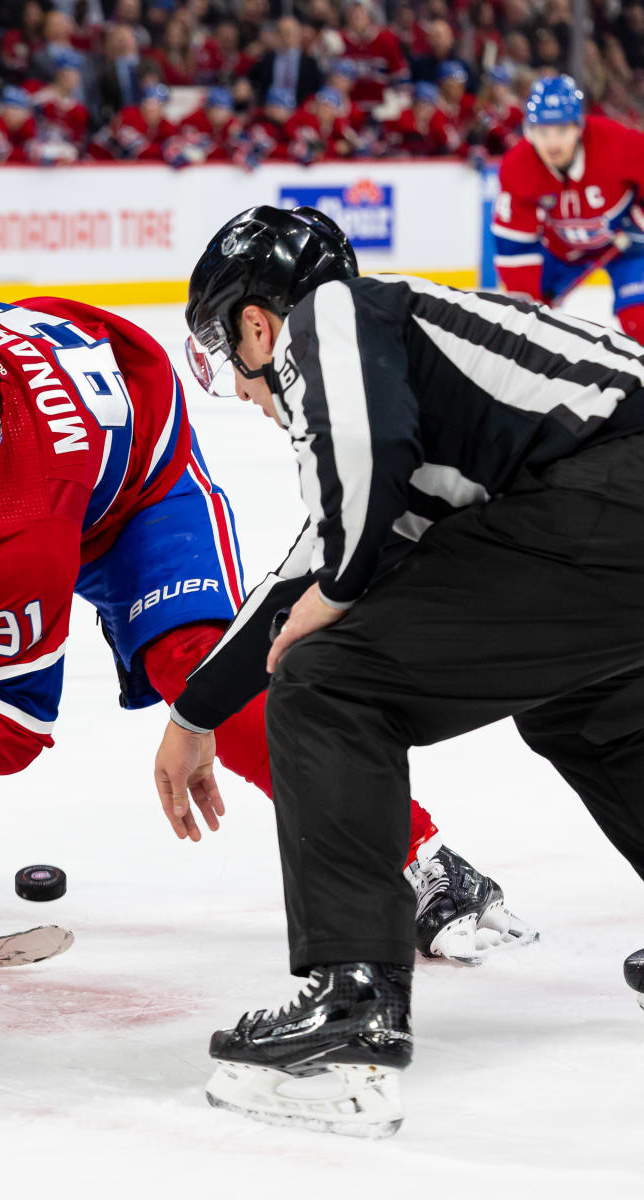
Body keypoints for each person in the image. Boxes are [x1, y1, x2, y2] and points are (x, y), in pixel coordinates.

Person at [0, 231, 530, 967]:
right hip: (1, 464)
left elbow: (8, 722)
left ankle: (416, 858)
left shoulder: (16, 523)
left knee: (202, 668)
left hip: (136, 488)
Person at [170, 204, 644, 1136]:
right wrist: (193, 714)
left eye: (231, 353)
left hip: (608, 499)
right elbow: (308, 566)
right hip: (605, 515)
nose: (242, 383)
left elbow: (345, 535)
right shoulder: (408, 369)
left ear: (257, 323)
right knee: (583, 703)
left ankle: (352, 1010)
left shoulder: (335, 316)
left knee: (328, 682)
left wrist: (339, 596)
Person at [493, 76, 644, 343]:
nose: (552, 143)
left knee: (639, 319)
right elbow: (515, 246)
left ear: (578, 127)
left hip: (627, 245)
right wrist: (527, 300)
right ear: (529, 130)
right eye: (542, 131)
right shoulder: (517, 167)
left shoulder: (618, 143)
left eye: (561, 130)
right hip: (560, 250)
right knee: (525, 325)